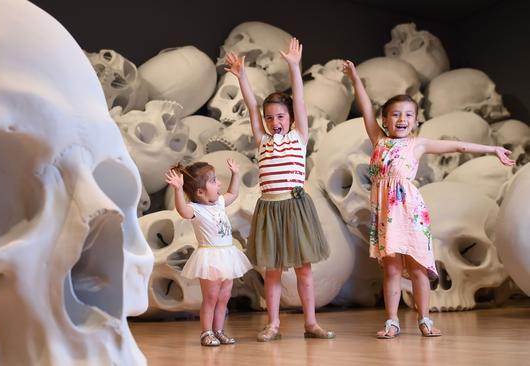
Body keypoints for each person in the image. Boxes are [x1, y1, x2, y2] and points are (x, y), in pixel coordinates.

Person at [342, 59, 515, 338]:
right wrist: (354, 79)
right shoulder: (379, 140)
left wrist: (492, 149)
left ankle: (425, 319)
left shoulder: (417, 144)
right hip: (385, 212)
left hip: (409, 210)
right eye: (395, 115)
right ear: (385, 120)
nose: (402, 120)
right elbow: (364, 107)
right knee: (392, 270)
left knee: (419, 268)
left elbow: (458, 144)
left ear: (416, 120)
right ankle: (392, 321)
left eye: (408, 115)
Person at [225, 37, 335, 342]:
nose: (275, 121)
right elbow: (250, 105)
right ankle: (272, 324)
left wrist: (294, 67)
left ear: (291, 118)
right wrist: (242, 76)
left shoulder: (298, 137)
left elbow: (299, 99)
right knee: (272, 271)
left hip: (295, 207)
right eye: (270, 117)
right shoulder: (263, 140)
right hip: (270, 207)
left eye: (281, 116)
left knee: (303, 270)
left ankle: (310, 322)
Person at [165, 159, 253, 346]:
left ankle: (219, 330)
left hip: (227, 255)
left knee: (224, 296)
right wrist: (178, 189)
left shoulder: (219, 203)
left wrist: (235, 174)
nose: (218, 183)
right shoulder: (195, 210)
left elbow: (233, 193)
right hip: (210, 257)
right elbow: (182, 210)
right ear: (200, 192)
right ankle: (206, 332)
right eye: (213, 181)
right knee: (211, 297)